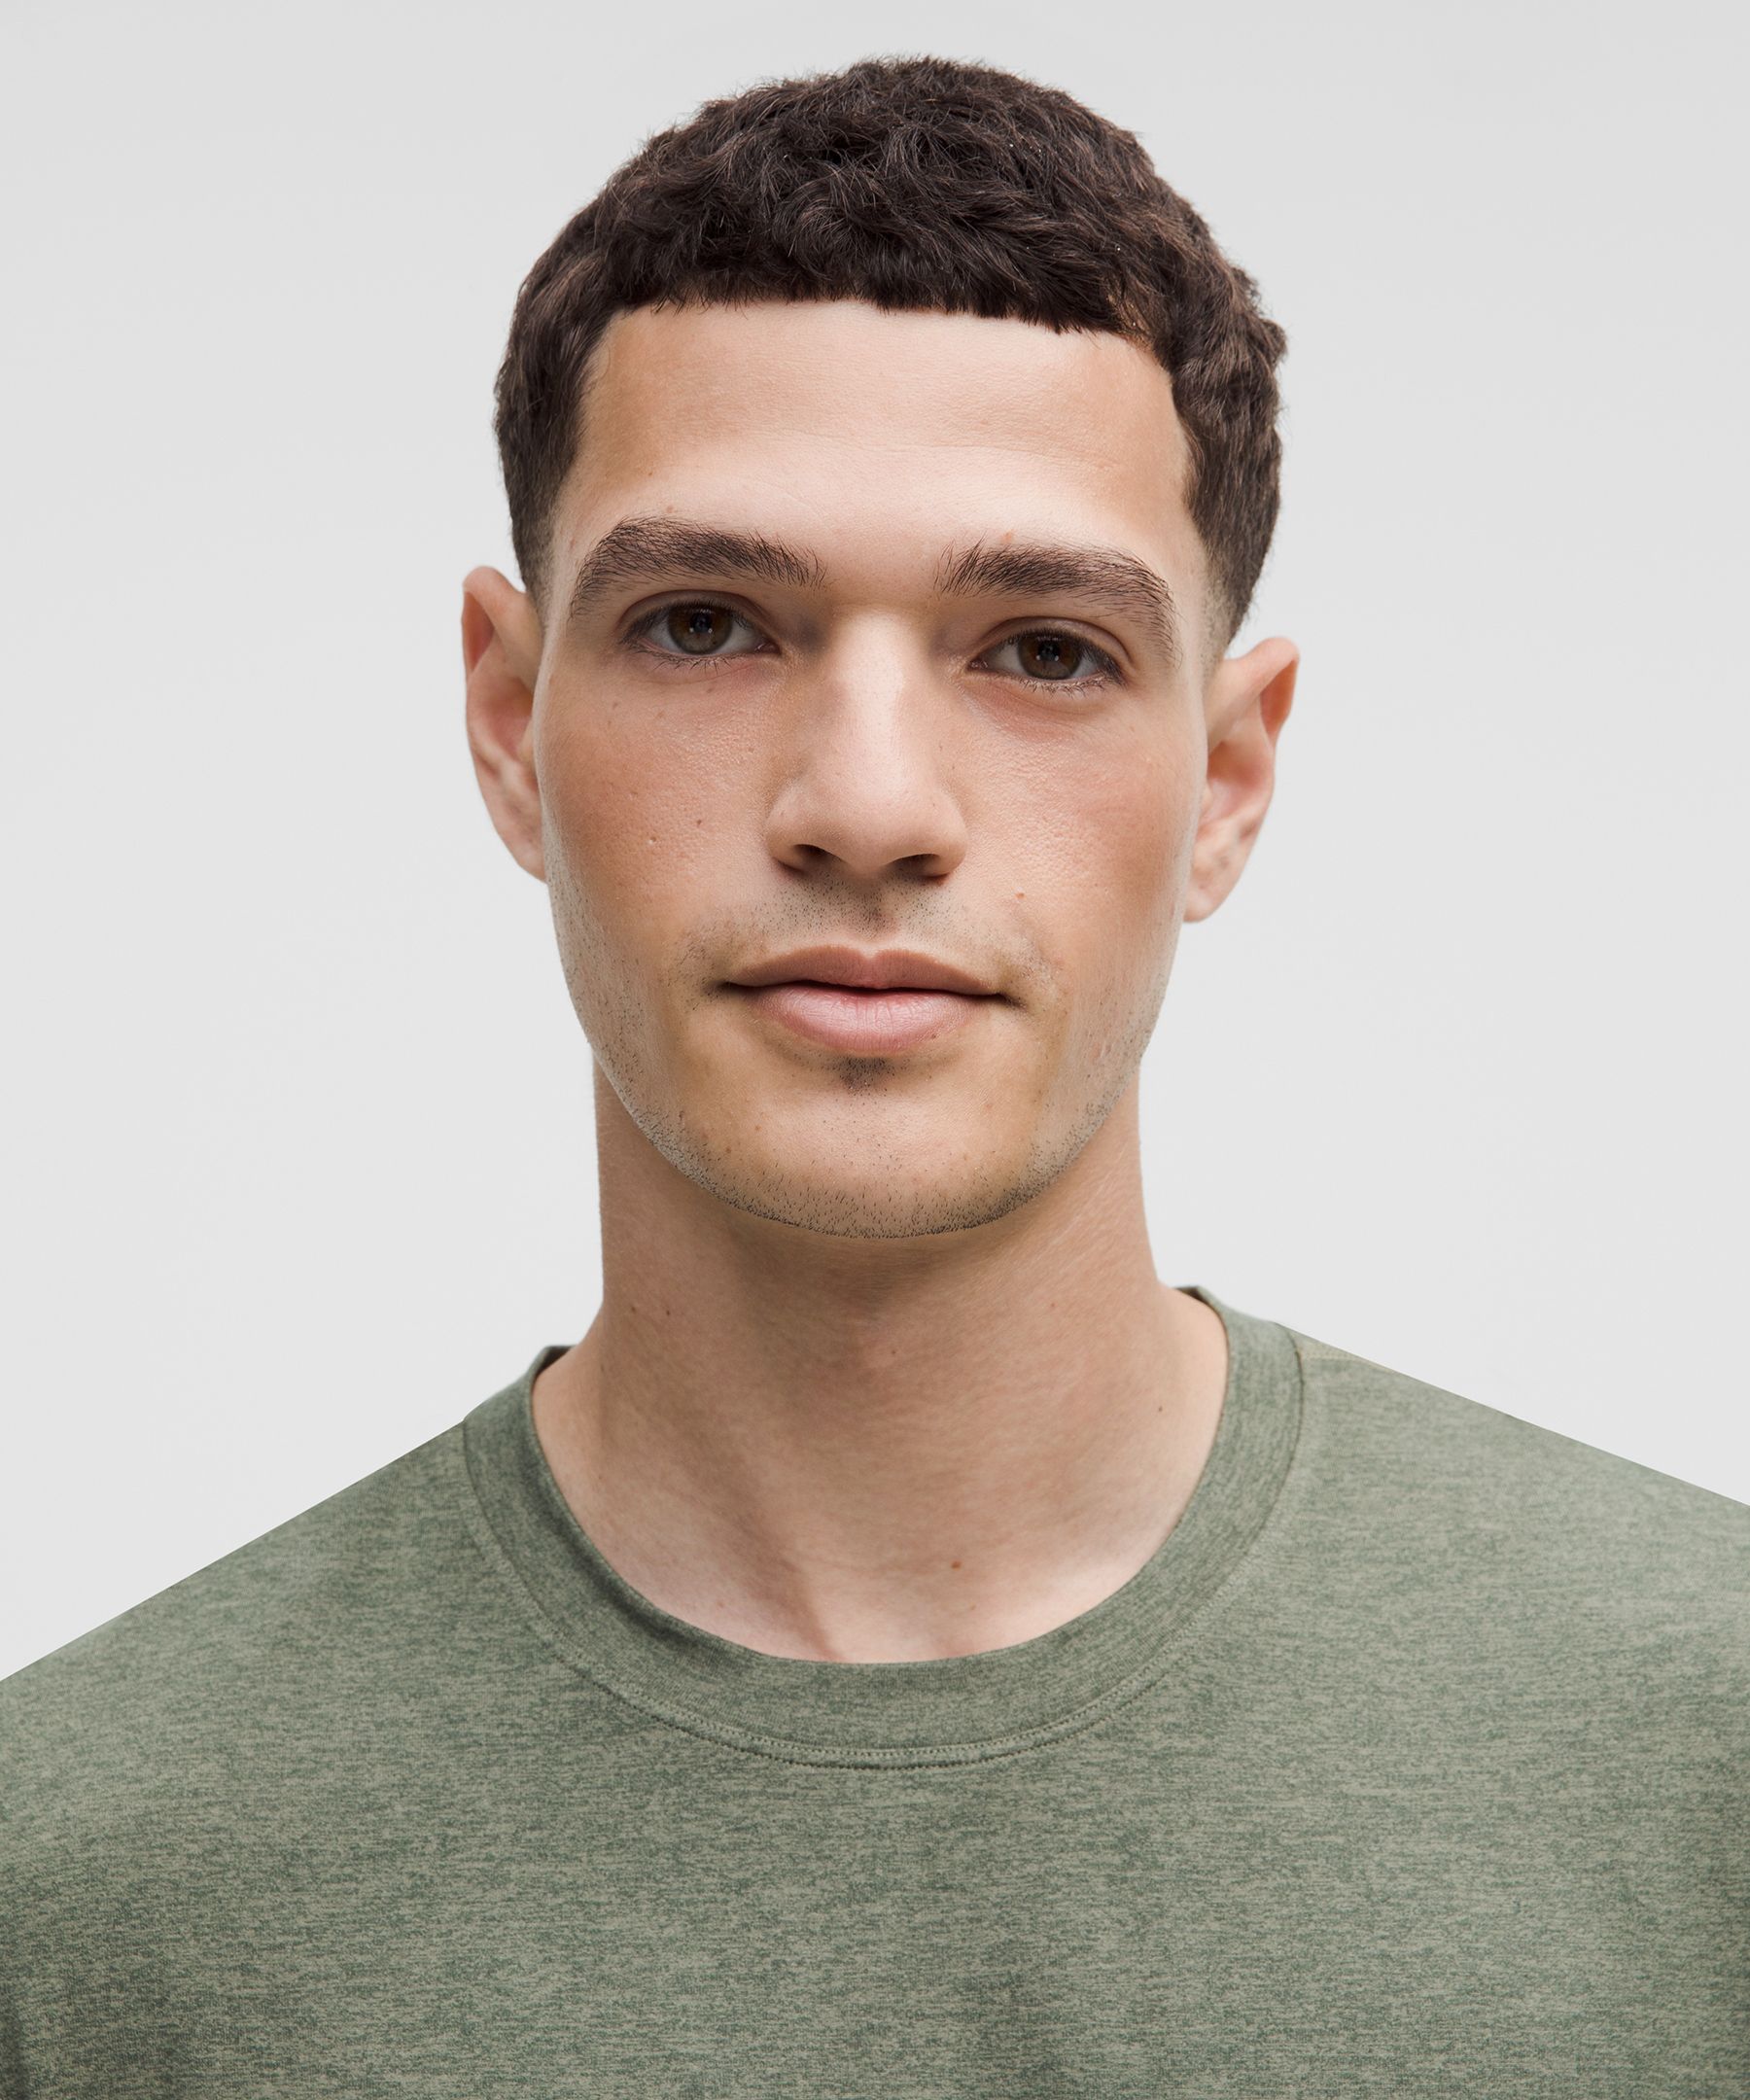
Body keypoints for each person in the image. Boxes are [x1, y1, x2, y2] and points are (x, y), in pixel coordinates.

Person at [3, 52, 1743, 2097]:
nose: (869, 807)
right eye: (706, 624)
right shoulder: (77, 1889)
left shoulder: (1702, 1747)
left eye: (1046, 650)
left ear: (1226, 778)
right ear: (509, 722)